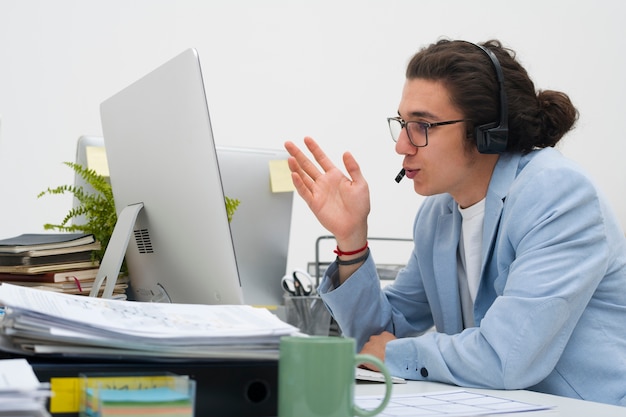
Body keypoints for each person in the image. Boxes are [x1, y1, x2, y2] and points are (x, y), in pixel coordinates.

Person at [284, 39, 626, 407]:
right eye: (402, 123)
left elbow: (505, 358)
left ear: (487, 131)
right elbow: (379, 340)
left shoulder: (557, 194)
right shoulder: (438, 216)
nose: (402, 145)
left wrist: (398, 354)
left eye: (422, 126)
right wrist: (351, 240)